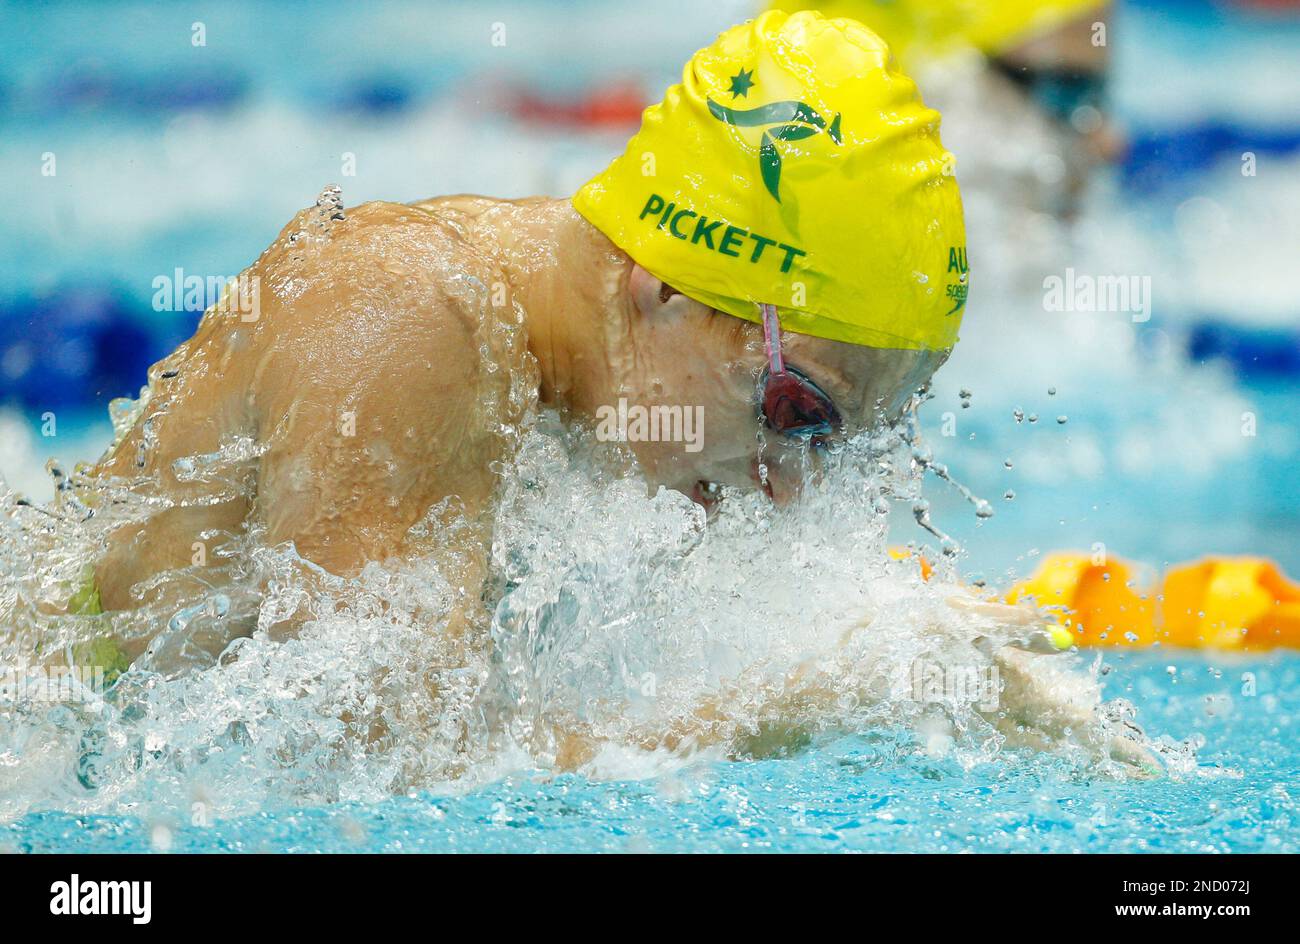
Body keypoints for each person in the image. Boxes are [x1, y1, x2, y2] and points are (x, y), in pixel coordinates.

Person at [73, 11, 966, 672]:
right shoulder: (413, 319)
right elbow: (366, 777)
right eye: (796, 410)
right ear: (664, 285)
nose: (788, 492)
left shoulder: (564, 381)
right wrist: (803, 700)